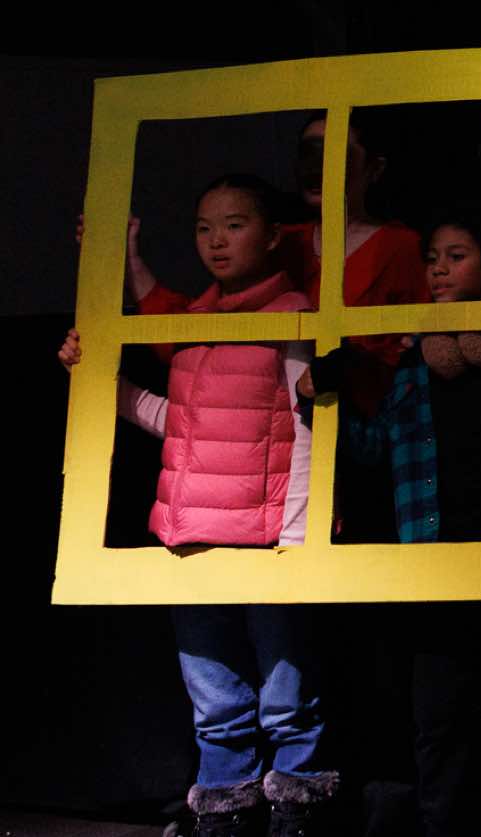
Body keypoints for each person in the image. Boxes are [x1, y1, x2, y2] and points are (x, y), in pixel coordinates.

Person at [60, 175, 337, 835]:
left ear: (271, 235)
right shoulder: (193, 319)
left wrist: (298, 531)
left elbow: (306, 428)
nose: (217, 240)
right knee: (214, 695)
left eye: (235, 225)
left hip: (267, 534)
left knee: (286, 692)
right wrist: (103, 383)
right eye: (204, 227)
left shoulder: (292, 312)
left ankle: (297, 808)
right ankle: (225, 807)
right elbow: (182, 422)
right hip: (194, 533)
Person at [330, 199, 481, 834]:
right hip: (437, 569)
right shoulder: (414, 366)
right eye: (432, 258)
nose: (437, 270)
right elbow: (374, 448)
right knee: (439, 718)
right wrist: (325, 399)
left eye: (455, 257)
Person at [127, 114, 429, 541]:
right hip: (279, 451)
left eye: (335, 152)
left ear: (374, 168)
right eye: (308, 152)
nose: (317, 165)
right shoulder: (282, 242)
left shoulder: (403, 248)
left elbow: (417, 349)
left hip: (366, 440)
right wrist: (129, 262)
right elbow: (198, 339)